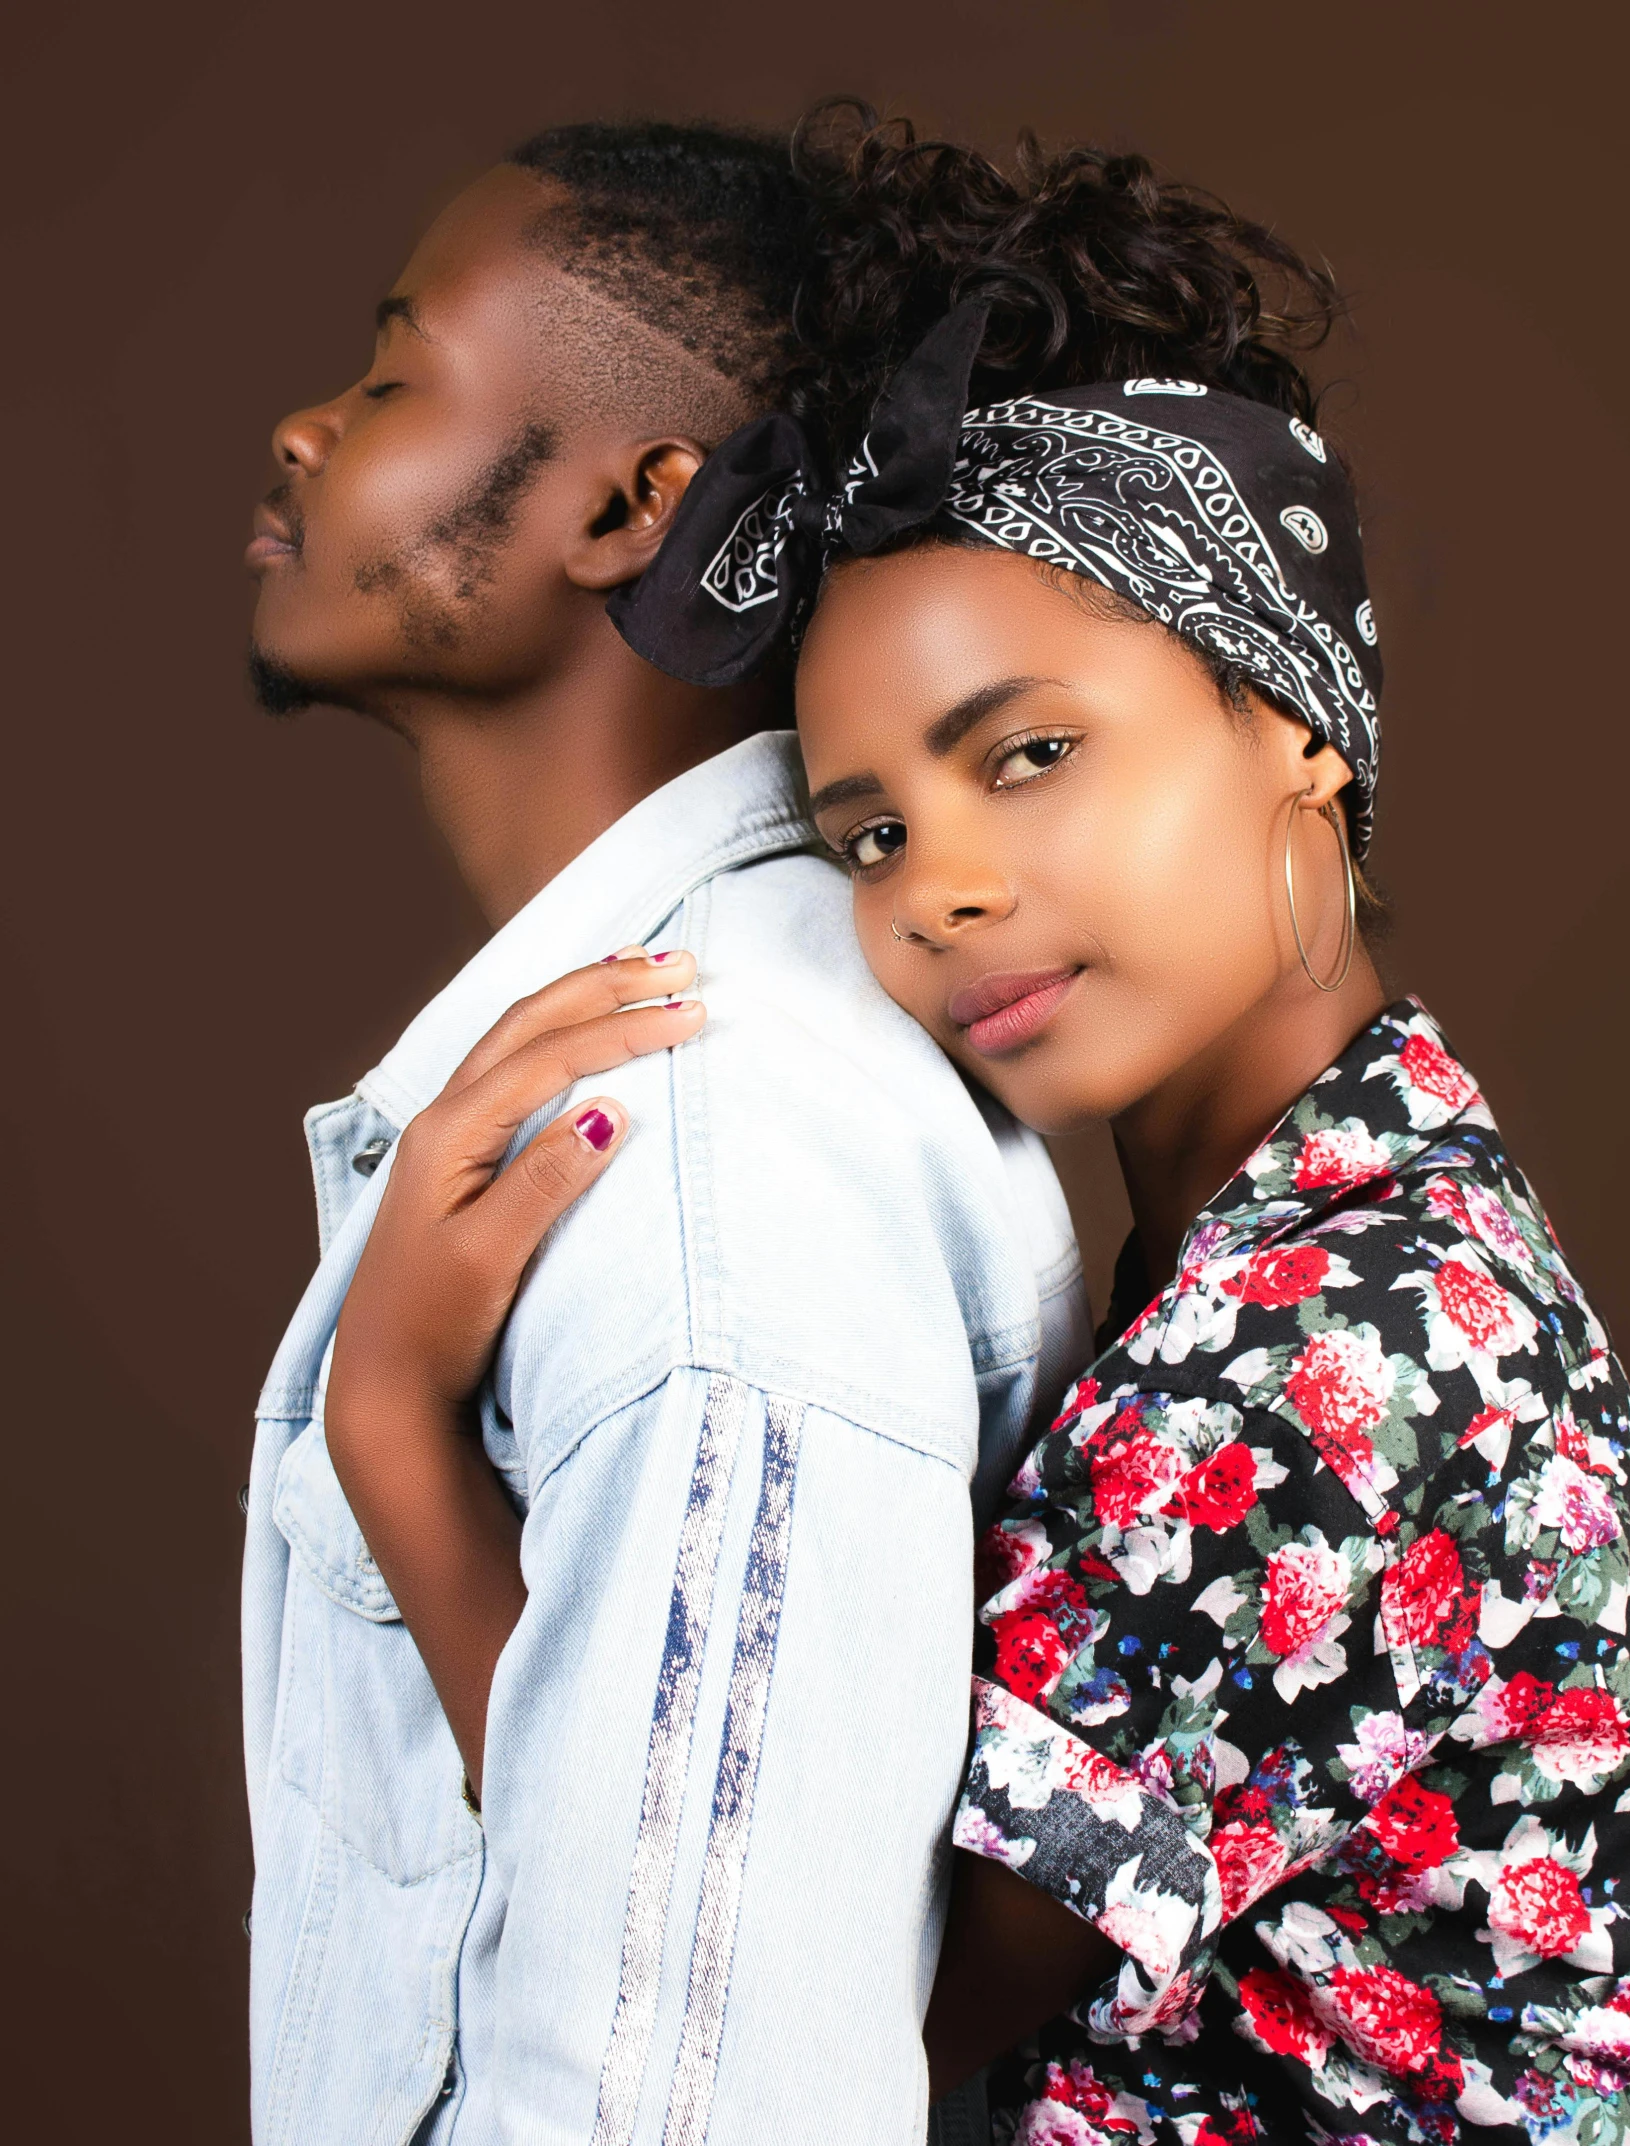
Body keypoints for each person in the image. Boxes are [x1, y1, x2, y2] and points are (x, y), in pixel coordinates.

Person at [367, 112, 1630, 2143]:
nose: (940, 888)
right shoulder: (1328, 1217)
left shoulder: (1339, 1350)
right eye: (872, 831)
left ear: (1302, 729)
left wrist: (396, 1424)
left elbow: (788, 1993)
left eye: (1032, 752)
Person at [240, 119, 1087, 2146]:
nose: (296, 430)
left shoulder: (703, 1147)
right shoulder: (688, 1073)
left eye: (385, 377)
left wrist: (394, 1433)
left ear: (636, 504)